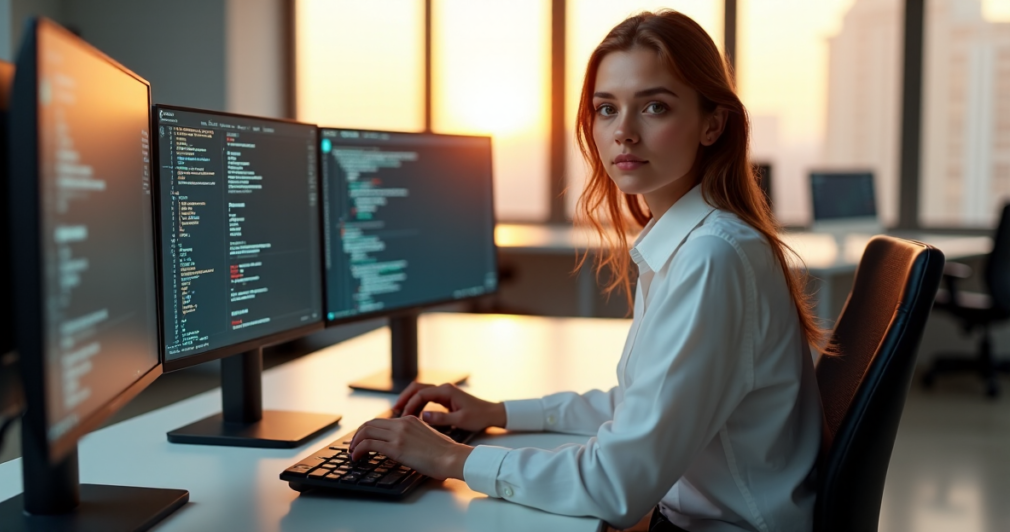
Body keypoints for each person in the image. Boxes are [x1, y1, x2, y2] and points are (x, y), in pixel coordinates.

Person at [348, 10, 823, 532]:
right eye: (606, 109)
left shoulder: (712, 258)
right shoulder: (692, 242)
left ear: (713, 124)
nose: (623, 133)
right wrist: (499, 413)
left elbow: (616, 485)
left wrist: (453, 460)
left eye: (655, 107)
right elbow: (644, 405)